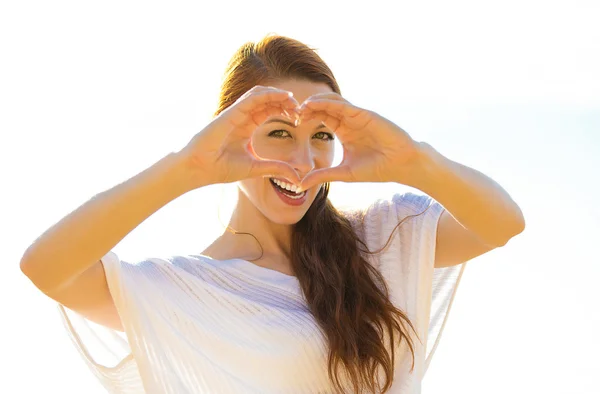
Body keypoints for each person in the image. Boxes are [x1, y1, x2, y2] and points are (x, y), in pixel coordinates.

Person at [20, 34, 525, 394]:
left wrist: (413, 159)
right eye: (280, 133)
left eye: (320, 136)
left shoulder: (384, 235)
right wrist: (186, 168)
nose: (302, 163)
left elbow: (502, 223)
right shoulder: (192, 289)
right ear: (230, 135)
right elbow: (46, 267)